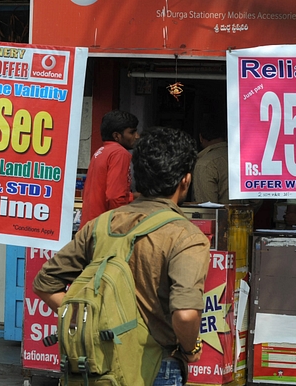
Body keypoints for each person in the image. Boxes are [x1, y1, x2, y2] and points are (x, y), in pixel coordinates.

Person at [33, 127, 210, 385]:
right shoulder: (185, 235)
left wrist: (97, 323)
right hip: (155, 366)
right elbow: (185, 314)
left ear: (136, 176)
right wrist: (190, 349)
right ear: (185, 180)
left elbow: (45, 282)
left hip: (99, 364)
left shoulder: (101, 224)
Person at [79, 110, 140, 229]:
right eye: (132, 132)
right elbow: (115, 197)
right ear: (117, 136)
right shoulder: (119, 153)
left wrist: (135, 196)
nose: (137, 136)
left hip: (90, 226)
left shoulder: (101, 151)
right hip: (104, 229)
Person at [192, 123, 229, 204]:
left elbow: (207, 207)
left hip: (219, 216)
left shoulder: (205, 164)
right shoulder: (241, 158)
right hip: (246, 215)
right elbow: (256, 199)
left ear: (200, 138)